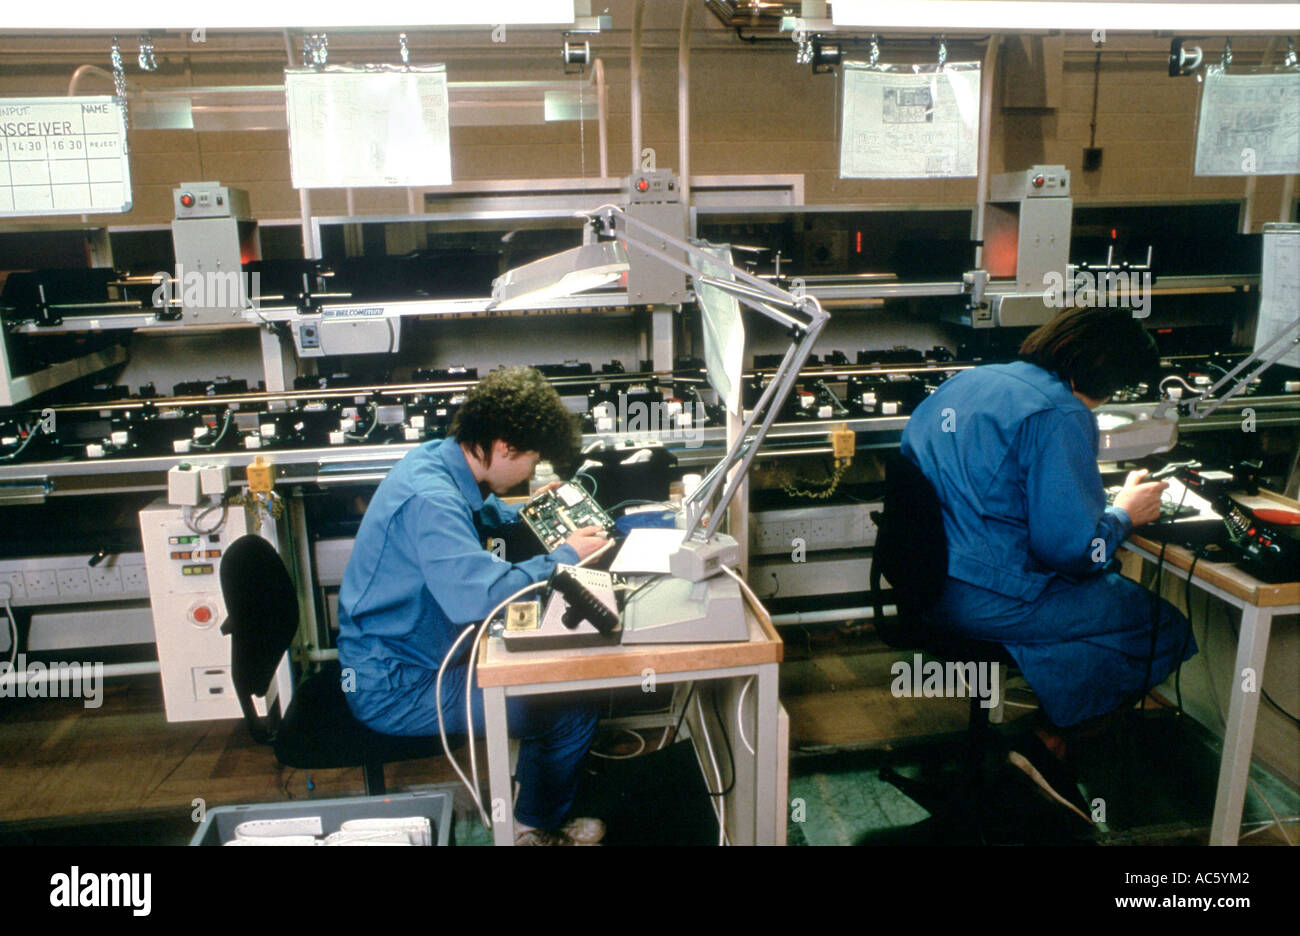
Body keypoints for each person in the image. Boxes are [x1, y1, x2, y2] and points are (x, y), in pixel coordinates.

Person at [900, 306, 1196, 822]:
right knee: (1159, 626)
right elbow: (1072, 551)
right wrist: (1124, 515)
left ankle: (1033, 760)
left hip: (927, 584)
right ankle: (1048, 746)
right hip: (987, 599)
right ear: (1111, 379)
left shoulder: (972, 380)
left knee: (1098, 611)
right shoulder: (1063, 414)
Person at [337, 366, 611, 845]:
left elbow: (474, 513)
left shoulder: (436, 461)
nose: (531, 470)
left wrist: (524, 510)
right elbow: (478, 597)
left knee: (551, 675)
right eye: (532, 459)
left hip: (411, 653)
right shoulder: (431, 498)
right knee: (572, 704)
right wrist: (566, 557)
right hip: (397, 684)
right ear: (504, 447)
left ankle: (529, 805)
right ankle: (532, 827)